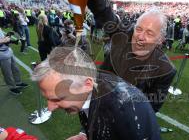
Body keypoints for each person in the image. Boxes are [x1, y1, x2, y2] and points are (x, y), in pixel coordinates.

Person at [31, 47, 161, 140]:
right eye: (48, 99)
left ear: (87, 84)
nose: (49, 107)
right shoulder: (85, 87)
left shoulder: (125, 110)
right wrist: (85, 135)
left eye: (57, 99)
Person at [85, 0, 176, 112]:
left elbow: (151, 108)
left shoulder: (165, 70)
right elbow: (105, 13)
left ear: (160, 40)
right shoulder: (124, 36)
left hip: (124, 119)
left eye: (149, 33)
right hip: (97, 101)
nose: (141, 36)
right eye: (138, 29)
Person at [0, 28, 28, 95]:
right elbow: (3, 40)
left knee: (15, 68)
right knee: (7, 72)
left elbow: (3, 38)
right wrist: (4, 40)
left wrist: (8, 35)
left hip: (7, 50)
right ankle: (12, 87)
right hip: (2, 54)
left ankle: (18, 82)